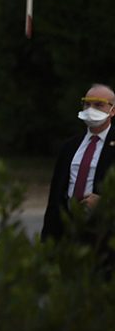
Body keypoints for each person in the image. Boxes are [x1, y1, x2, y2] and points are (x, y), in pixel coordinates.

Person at [42, 83, 115, 241]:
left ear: (112, 111)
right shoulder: (70, 146)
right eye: (87, 104)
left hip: (104, 232)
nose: (91, 109)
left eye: (98, 105)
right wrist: (48, 236)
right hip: (67, 228)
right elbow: (55, 193)